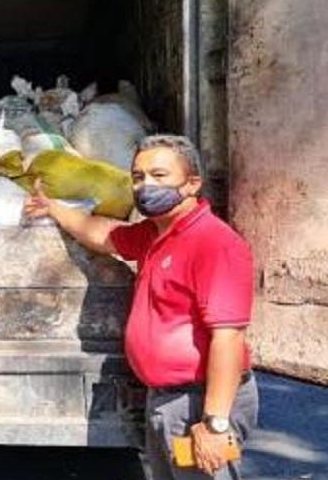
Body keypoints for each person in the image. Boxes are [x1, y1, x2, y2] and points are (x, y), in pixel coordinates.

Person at [24, 135, 258, 479]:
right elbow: (103, 234)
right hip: (166, 399)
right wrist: (55, 208)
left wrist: (214, 423)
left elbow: (228, 340)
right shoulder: (154, 234)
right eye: (138, 176)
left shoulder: (215, 244)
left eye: (159, 175)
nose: (146, 185)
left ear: (192, 184)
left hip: (199, 402)